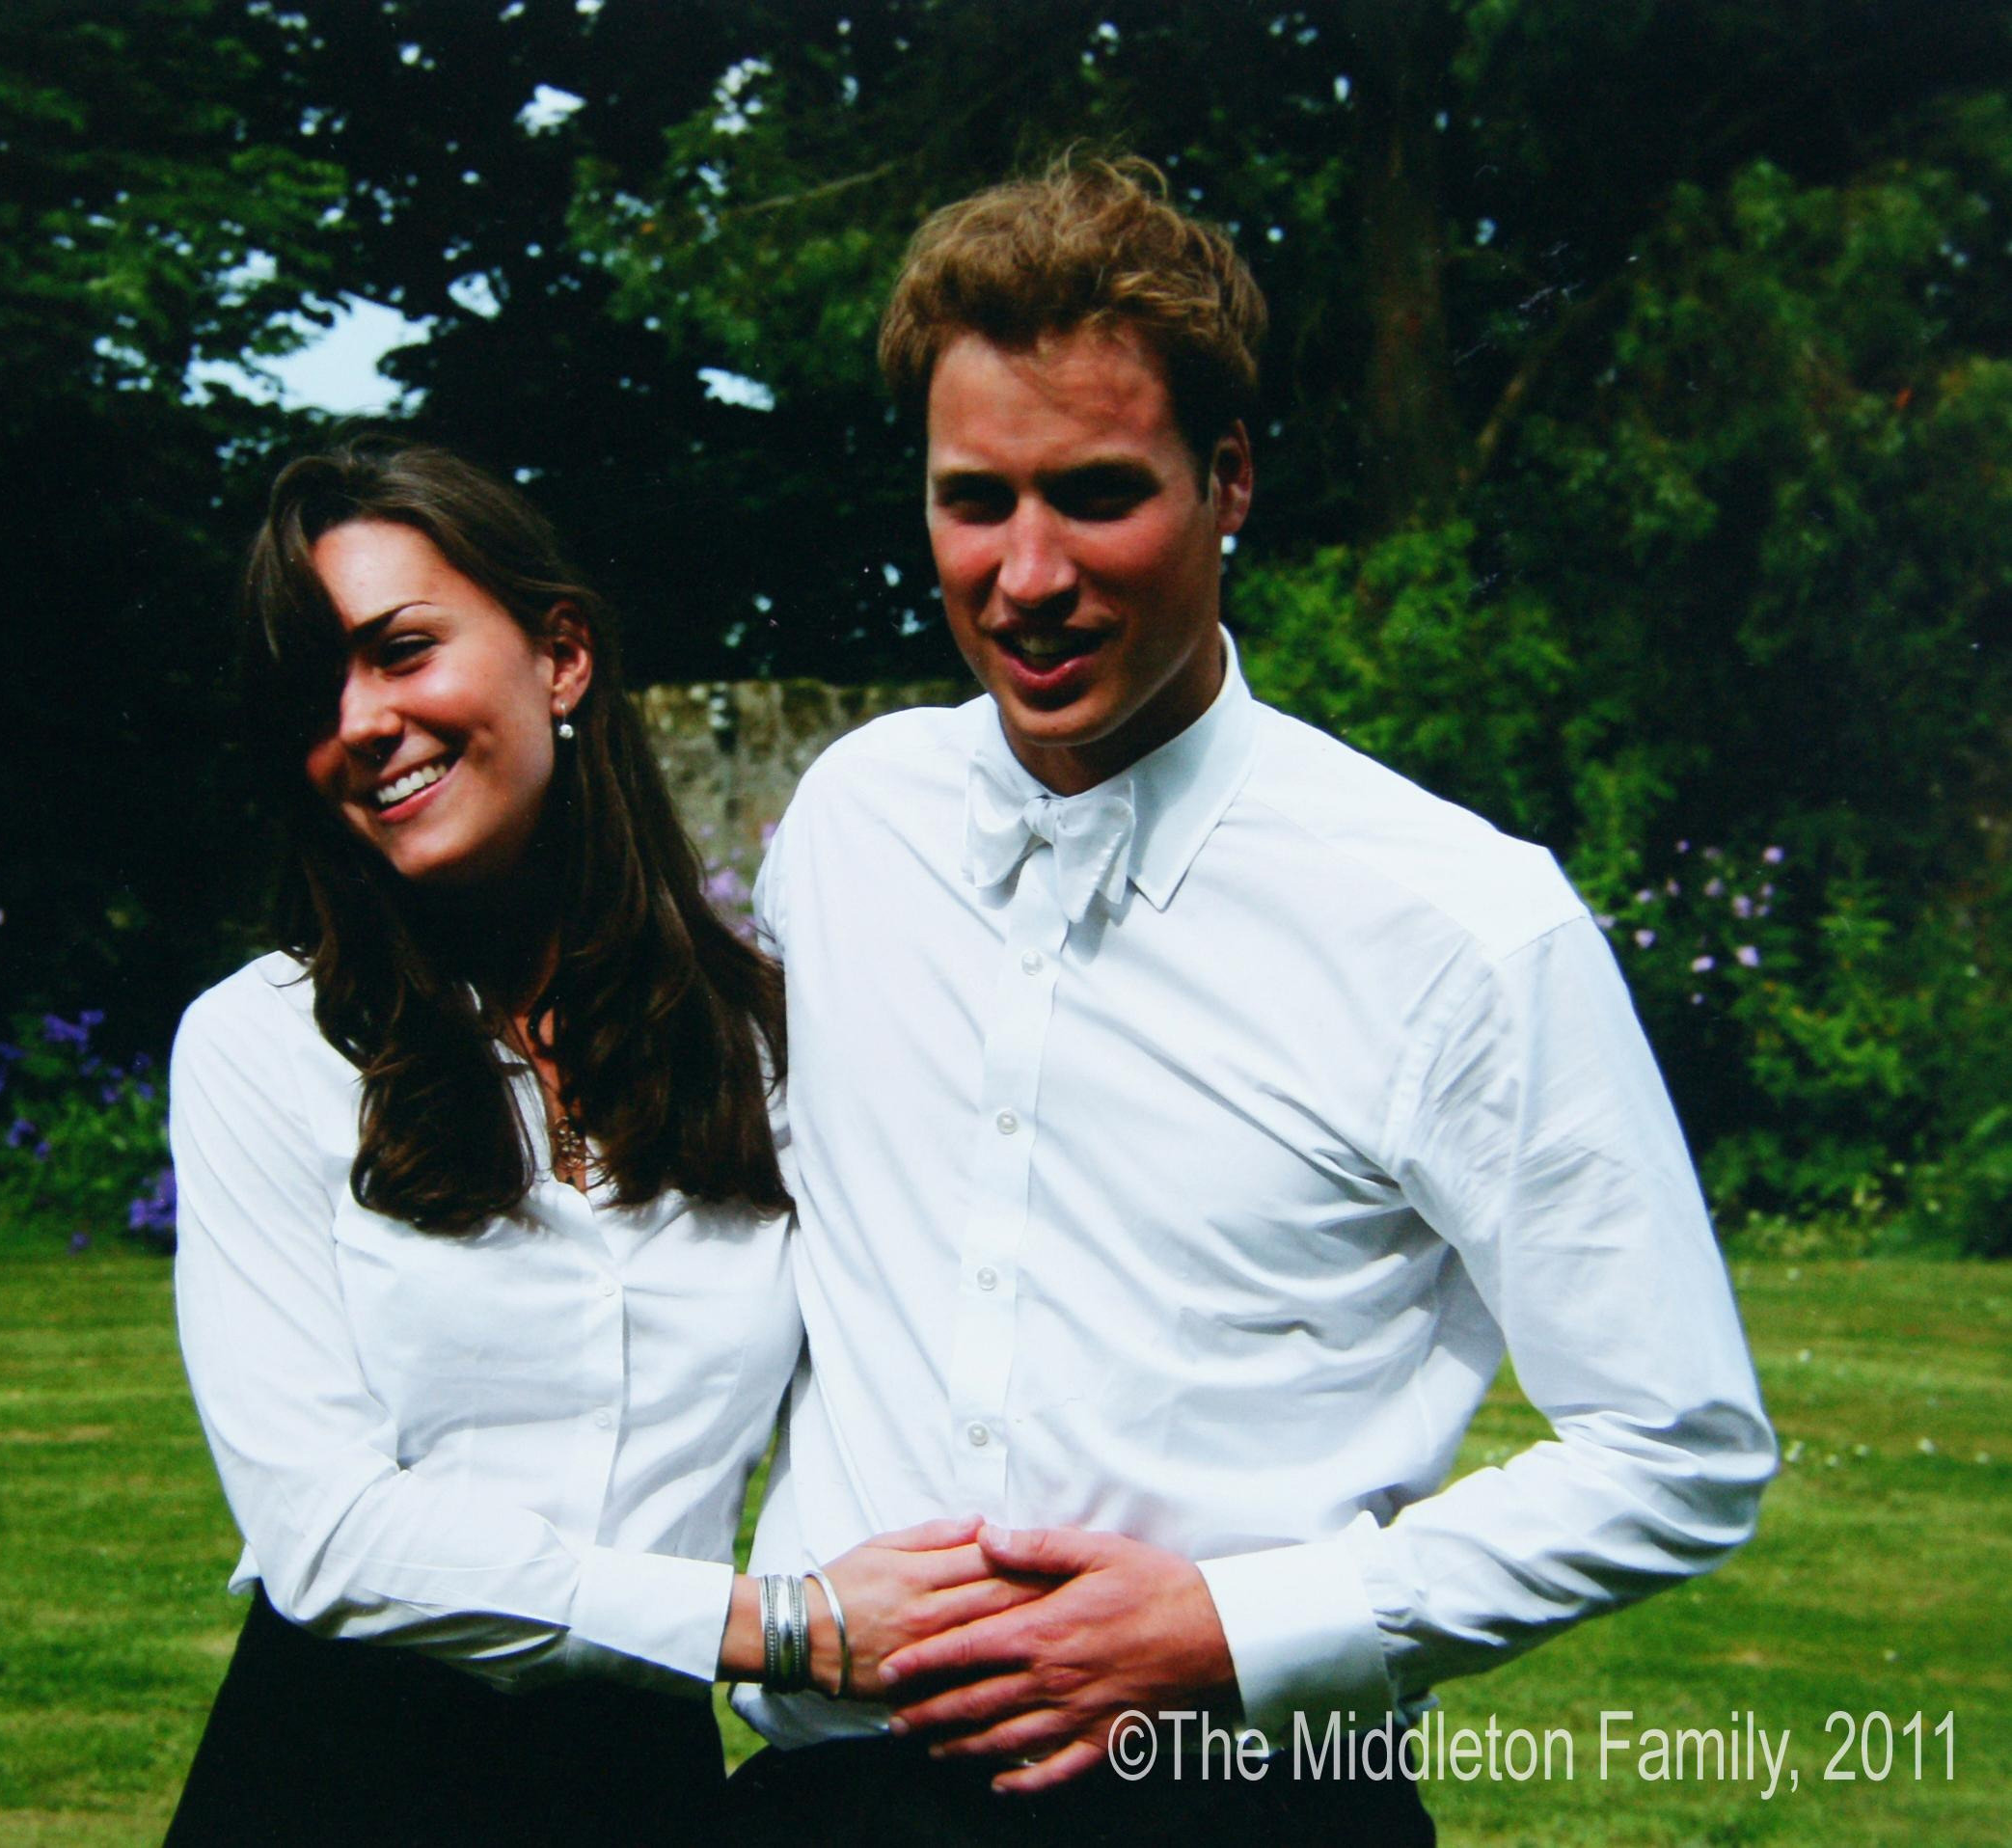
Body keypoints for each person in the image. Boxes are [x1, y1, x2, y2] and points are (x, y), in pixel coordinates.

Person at [726, 156, 1779, 1844]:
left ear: (1229, 482)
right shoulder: (856, 823)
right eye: (975, 499)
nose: (1028, 572)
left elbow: (1680, 1446)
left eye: (1096, 491)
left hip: (1235, 1795)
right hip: (826, 1793)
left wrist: (1235, 1629)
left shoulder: (1457, 921)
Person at [162, 438, 1027, 1846]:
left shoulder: (770, 1051)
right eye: (313, 690)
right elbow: (323, 1537)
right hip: (332, 1780)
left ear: (562, 658)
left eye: (400, 651)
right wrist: (775, 1628)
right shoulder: (265, 1047)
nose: (361, 721)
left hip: (643, 1795)